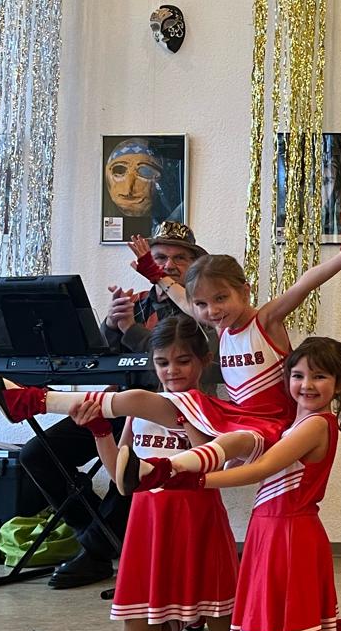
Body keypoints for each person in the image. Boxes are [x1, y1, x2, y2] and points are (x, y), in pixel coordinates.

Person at [0, 225, 341, 474]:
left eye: (221, 299)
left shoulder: (264, 321)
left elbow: (305, 283)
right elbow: (177, 292)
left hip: (270, 425)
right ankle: (30, 400)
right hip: (230, 414)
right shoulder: (213, 322)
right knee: (142, 399)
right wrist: (152, 271)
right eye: (203, 305)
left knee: (228, 444)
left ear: (245, 291)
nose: (212, 311)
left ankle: (165, 472)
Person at [121, 337, 341, 631]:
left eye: (319, 376)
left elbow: (261, 469)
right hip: (277, 529)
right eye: (298, 375)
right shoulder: (299, 423)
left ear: (340, 383)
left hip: (286, 533)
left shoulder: (316, 424)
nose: (306, 384)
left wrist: (186, 479)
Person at [12, 220, 212, 589]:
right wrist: (110, 323)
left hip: (167, 416)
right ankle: (96, 534)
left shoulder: (201, 308)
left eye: (179, 258)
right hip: (117, 407)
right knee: (36, 454)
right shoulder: (138, 303)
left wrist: (130, 330)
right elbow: (108, 360)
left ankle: (96, 550)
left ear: (194, 264)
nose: (168, 265)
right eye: (160, 257)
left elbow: (168, 363)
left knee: (134, 464)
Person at [72, 316, 240, 631]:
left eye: (183, 361)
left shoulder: (212, 409)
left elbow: (211, 464)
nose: (172, 371)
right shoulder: (139, 410)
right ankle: (181, 619)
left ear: (204, 361)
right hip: (150, 525)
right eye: (162, 363)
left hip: (198, 524)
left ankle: (204, 611)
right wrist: (100, 431)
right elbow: (120, 478)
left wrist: (184, 413)